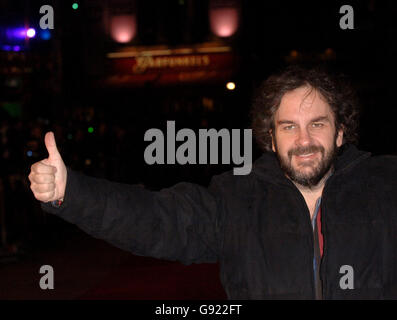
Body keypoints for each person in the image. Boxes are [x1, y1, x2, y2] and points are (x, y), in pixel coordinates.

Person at [28, 65, 397, 299]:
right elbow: (156, 219)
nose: (303, 140)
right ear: (270, 139)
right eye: (289, 127)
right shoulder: (236, 198)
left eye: (317, 124)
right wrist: (71, 192)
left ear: (339, 133)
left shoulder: (384, 185)